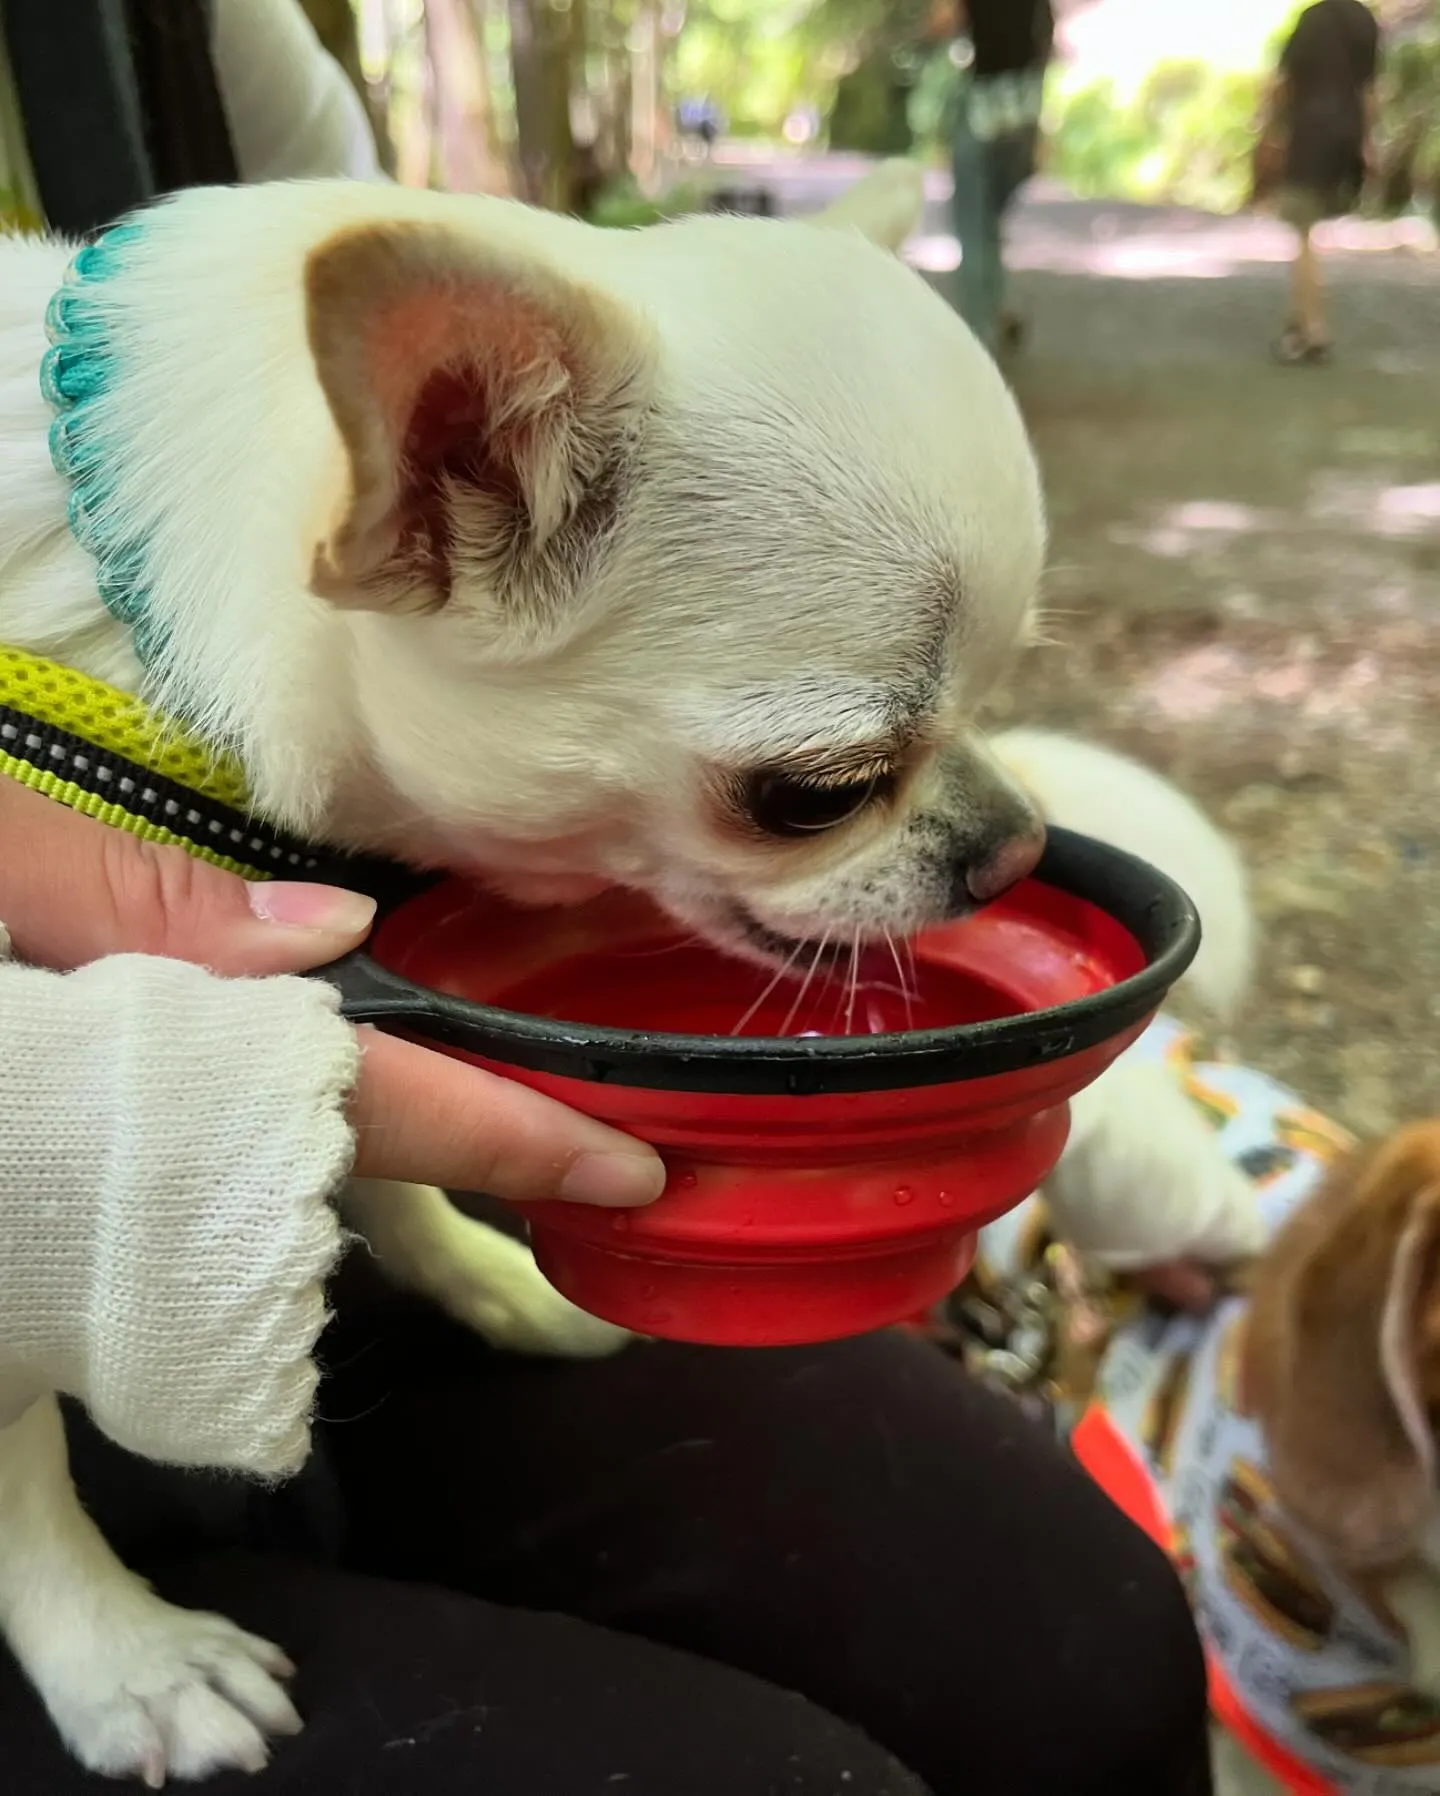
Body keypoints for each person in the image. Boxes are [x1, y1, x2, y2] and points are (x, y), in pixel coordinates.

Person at [0, 5, 1214, 1790]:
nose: (993, 844)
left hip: (288, 1200)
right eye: (812, 785)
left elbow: (357, 241)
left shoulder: (203, 124)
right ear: (451, 484)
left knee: (1077, 1636)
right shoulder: (389, 452)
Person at [1265, 0, 1382, 365]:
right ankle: (1299, 318)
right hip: (1346, 133)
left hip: (1309, 131)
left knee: (1303, 233)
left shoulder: (1311, 18)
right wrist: (1367, 141)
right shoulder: (1365, 20)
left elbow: (1280, 81)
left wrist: (1271, 128)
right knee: (1315, 229)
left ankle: (1312, 329)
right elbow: (1371, 91)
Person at [936, 0, 1054, 356]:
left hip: (983, 107)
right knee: (989, 221)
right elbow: (1045, 34)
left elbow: (941, 22)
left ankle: (978, 337)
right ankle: (995, 313)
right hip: (1024, 109)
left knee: (973, 225)